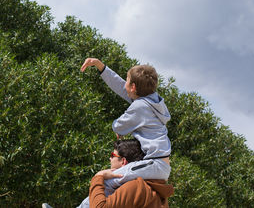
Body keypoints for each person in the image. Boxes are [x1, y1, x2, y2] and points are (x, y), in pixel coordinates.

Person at [80, 58, 171, 195]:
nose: (125, 84)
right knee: (111, 181)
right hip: (157, 164)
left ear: (133, 87)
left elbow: (118, 127)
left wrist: (120, 127)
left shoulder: (140, 106)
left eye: (127, 80)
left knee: (105, 183)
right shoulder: (151, 100)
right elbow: (121, 87)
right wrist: (100, 66)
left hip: (154, 164)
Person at [42, 139, 173, 208]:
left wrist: (98, 178)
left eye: (112, 155)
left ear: (124, 162)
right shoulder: (150, 188)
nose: (110, 159)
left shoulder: (136, 187)